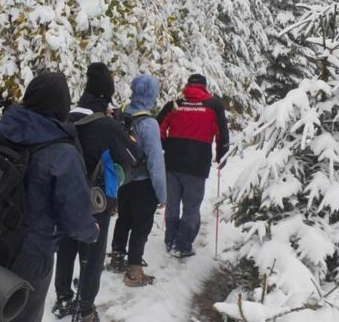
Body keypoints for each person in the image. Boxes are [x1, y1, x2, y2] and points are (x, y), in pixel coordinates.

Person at [0, 72, 100, 322]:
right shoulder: (62, 153)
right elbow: (75, 216)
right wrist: (91, 231)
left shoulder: (4, 132)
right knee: (22, 313)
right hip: (32, 253)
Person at [53, 63, 139, 322]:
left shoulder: (65, 118)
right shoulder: (107, 125)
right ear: (107, 95)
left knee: (66, 247)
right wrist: (123, 127)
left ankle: (63, 299)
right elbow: (134, 156)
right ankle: (85, 308)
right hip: (96, 200)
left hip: (64, 196)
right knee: (92, 252)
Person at [157, 73, 229, 258]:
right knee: (191, 206)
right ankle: (182, 245)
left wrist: (167, 144)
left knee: (172, 203)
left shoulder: (175, 104)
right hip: (197, 163)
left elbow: (158, 127)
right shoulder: (213, 105)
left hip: (172, 161)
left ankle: (170, 239)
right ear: (204, 87)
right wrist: (222, 155)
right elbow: (222, 133)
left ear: (188, 86)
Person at [108, 74, 167, 286]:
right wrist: (162, 194)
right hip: (143, 183)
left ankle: (116, 257)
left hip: (123, 179)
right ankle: (134, 272)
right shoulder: (149, 123)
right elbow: (155, 163)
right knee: (141, 227)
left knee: (124, 219)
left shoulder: (121, 113)